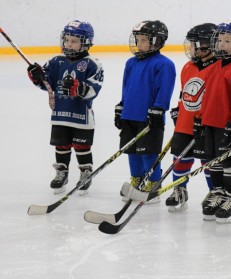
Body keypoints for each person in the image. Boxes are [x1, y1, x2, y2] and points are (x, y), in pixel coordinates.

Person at [27, 20, 104, 195]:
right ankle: (62, 173)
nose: (69, 43)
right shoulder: (56, 61)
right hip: (60, 114)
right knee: (61, 145)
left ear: (85, 42)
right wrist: (38, 77)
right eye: (67, 40)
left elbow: (94, 89)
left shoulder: (93, 63)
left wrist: (79, 88)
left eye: (74, 41)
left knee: (82, 147)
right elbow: (47, 84)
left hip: (82, 117)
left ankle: (85, 172)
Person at [195, 20, 231, 223]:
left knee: (229, 161)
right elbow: (207, 95)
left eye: (227, 41)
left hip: (228, 124)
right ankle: (218, 192)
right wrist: (199, 119)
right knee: (213, 160)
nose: (221, 44)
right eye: (219, 40)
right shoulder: (215, 66)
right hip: (210, 122)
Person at [114, 20, 176, 204]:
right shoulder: (131, 63)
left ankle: (153, 183)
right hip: (129, 115)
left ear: (157, 41)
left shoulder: (164, 64)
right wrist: (121, 107)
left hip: (149, 117)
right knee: (131, 151)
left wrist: (159, 108)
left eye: (143, 40)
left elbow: (164, 89)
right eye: (137, 39)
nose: (138, 44)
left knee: (148, 152)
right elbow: (126, 88)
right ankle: (138, 180)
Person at [165, 23, 217, 212]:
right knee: (180, 156)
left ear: (210, 45)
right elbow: (184, 93)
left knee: (207, 160)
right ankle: (179, 190)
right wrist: (179, 110)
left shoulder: (217, 68)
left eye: (197, 44)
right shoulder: (188, 67)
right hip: (185, 122)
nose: (192, 48)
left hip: (205, 124)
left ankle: (214, 191)